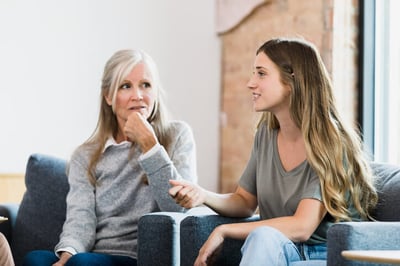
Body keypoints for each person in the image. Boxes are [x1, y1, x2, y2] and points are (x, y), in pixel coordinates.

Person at [169, 37, 378, 266]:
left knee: (263, 235)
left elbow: (302, 227)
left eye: (261, 73)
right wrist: (203, 195)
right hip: (284, 247)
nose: (250, 83)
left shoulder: (330, 142)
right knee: (264, 236)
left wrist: (224, 230)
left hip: (329, 254)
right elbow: (244, 201)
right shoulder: (266, 135)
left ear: (292, 81)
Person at [23, 49, 197, 266]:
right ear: (108, 96)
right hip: (94, 255)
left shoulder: (177, 136)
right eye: (126, 86)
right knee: (35, 260)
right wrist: (66, 257)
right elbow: (80, 218)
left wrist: (150, 145)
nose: (138, 96)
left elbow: (180, 209)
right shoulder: (85, 155)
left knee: (82, 264)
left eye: (146, 85)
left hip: (138, 257)